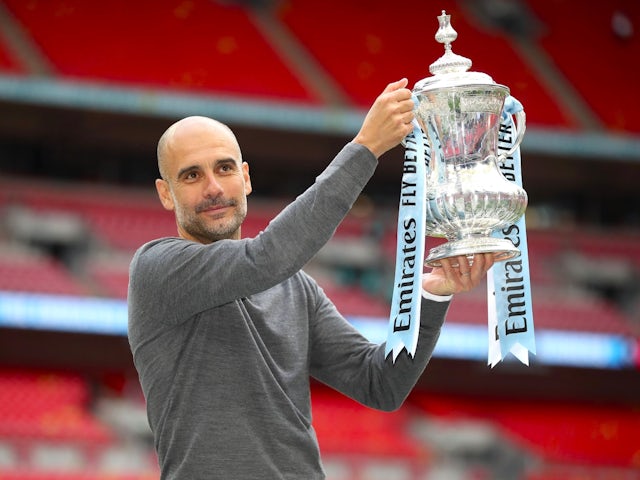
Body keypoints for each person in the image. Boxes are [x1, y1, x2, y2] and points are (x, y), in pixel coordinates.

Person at [127, 78, 494, 479]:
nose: (214, 188)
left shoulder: (295, 288)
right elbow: (267, 258)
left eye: (225, 168)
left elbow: (379, 384)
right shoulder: (156, 268)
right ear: (166, 194)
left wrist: (431, 297)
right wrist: (364, 149)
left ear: (245, 178)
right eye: (192, 175)